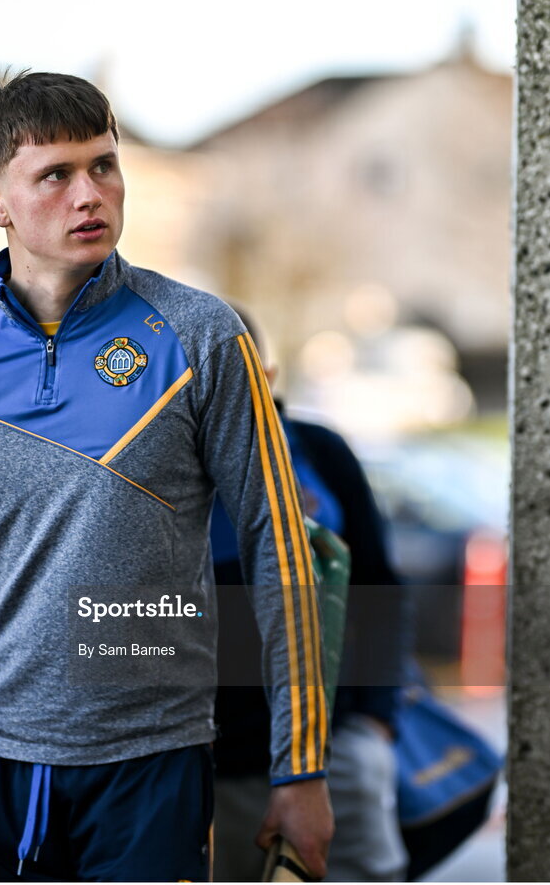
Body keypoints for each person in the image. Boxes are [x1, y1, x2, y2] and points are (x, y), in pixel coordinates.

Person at [0, 71, 333, 882]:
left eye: (104, 166)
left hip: (153, 764)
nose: (91, 193)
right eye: (56, 174)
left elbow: (281, 553)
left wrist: (302, 770)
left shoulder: (200, 335)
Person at [211, 332, 408, 882]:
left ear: (267, 375)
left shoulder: (317, 452)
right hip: (216, 767)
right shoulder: (158, 464)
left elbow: (380, 589)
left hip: (334, 751)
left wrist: (376, 722)